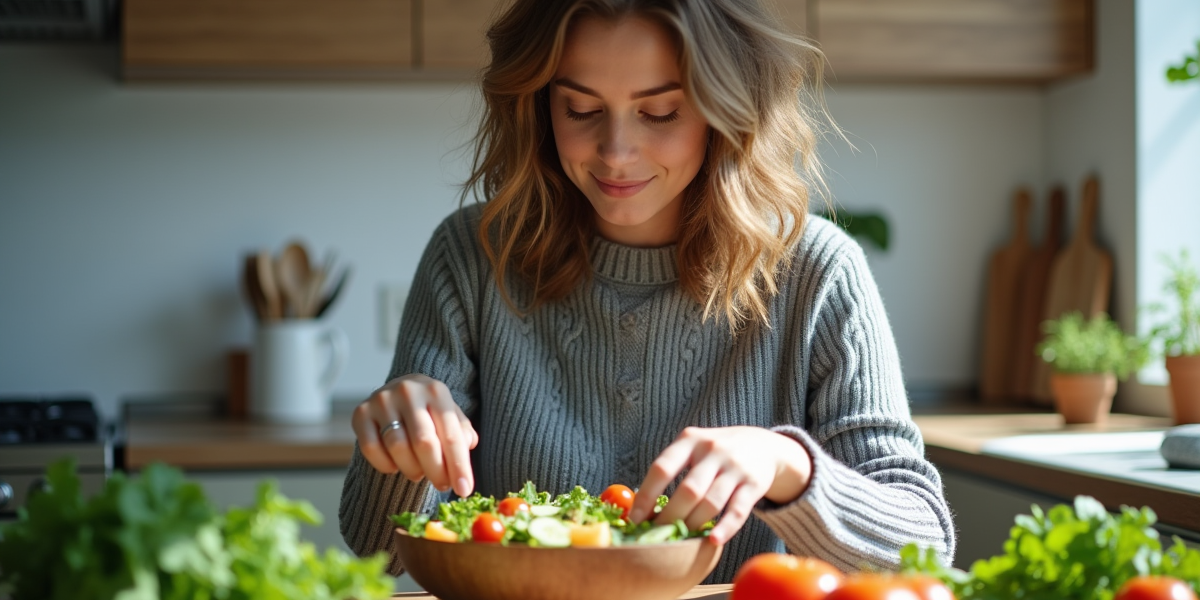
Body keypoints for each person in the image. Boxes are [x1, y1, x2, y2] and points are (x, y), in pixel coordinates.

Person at [339, 0, 955, 583]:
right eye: (580, 109)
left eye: (660, 112)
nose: (616, 153)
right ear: (537, 106)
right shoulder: (473, 255)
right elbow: (376, 547)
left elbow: (921, 546)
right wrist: (397, 447)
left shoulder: (817, 272)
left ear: (727, 107)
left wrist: (788, 467)